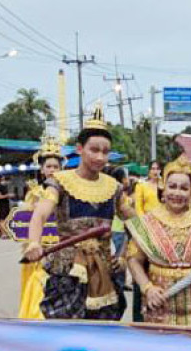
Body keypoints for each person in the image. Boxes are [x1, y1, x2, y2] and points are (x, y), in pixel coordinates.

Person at [25, 106, 132, 320]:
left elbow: (135, 225)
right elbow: (40, 215)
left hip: (104, 270)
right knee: (66, 329)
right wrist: (34, 243)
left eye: (105, 152)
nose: (100, 157)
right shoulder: (60, 182)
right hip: (68, 269)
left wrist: (123, 255)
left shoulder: (114, 188)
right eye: (94, 150)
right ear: (80, 149)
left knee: (103, 328)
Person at [126, 158, 191, 326]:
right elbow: (133, 259)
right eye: (172, 186)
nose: (177, 193)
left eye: (184, 188)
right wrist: (147, 288)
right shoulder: (147, 222)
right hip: (159, 302)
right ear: (163, 187)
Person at [15, 136, 64, 320]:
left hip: (62, 248)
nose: (52, 170)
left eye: (56, 166)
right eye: (48, 166)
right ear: (42, 169)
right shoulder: (35, 193)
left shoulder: (67, 191)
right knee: (38, 290)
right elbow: (27, 221)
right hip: (40, 250)